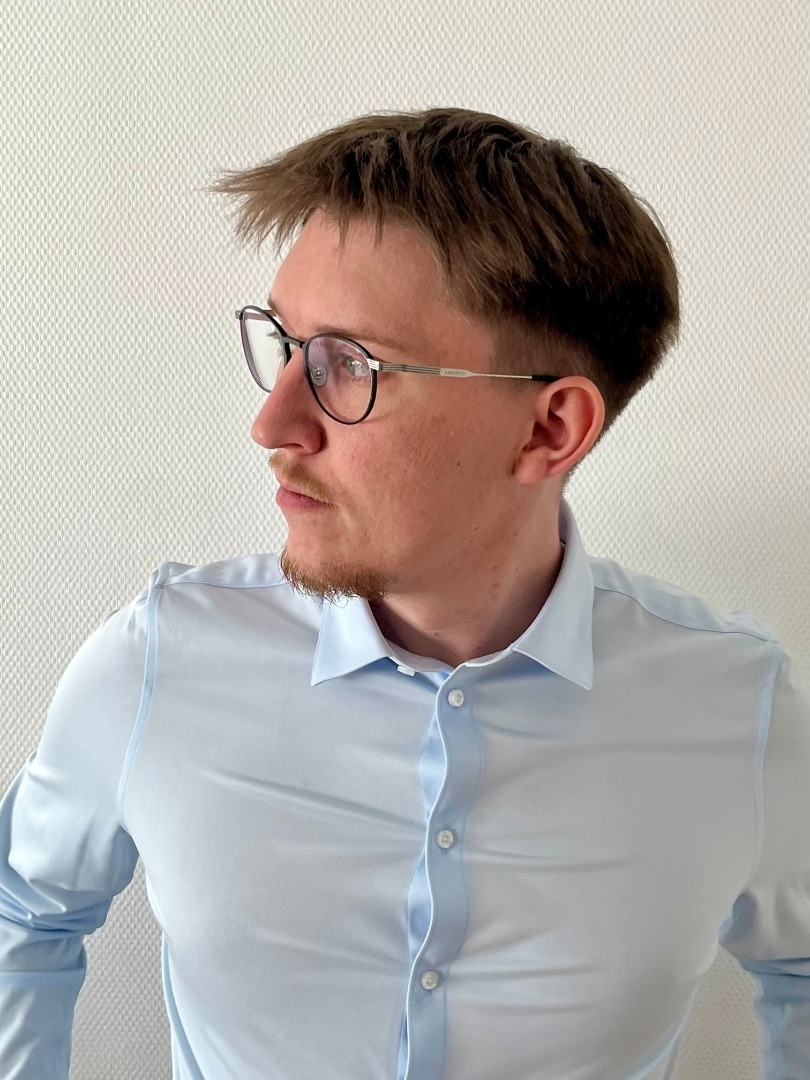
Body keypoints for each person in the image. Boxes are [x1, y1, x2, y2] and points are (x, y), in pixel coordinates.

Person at [1, 108, 808, 1080]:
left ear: (550, 430)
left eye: (348, 365)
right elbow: (22, 909)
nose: (273, 422)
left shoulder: (738, 708)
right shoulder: (158, 660)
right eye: (285, 343)